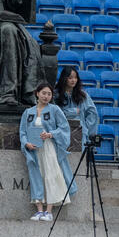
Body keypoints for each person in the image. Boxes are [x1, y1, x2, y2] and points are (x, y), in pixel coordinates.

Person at [20, 82, 76, 221]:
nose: (46, 96)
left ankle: (49, 211)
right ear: (37, 93)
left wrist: (51, 134)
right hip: (34, 149)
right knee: (36, 176)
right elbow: (22, 131)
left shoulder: (55, 110)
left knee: (50, 175)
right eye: (43, 93)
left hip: (49, 147)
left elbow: (64, 128)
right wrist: (26, 142)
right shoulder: (28, 112)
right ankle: (39, 209)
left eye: (49, 94)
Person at [54, 66, 98, 146]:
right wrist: (73, 112)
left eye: (75, 78)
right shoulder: (56, 95)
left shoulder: (83, 95)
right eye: (70, 78)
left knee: (79, 157)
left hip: (80, 133)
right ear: (64, 78)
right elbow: (56, 114)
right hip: (61, 133)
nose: (73, 80)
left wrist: (86, 130)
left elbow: (92, 113)